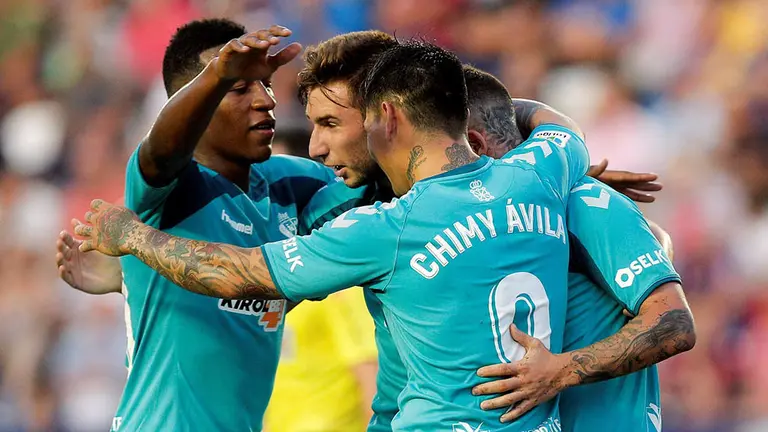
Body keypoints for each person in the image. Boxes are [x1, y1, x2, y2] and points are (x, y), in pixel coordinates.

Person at [73, 40, 589, 431]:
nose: (316, 147)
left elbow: (243, 275)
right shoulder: (539, 177)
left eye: (329, 123)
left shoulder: (379, 227)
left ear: (384, 115)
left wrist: (134, 241)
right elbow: (560, 129)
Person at [59, 19, 345, 431]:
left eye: (265, 84)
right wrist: (216, 75)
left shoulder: (293, 184)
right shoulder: (170, 192)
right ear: (195, 103)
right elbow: (162, 149)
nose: (265, 100)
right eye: (238, 88)